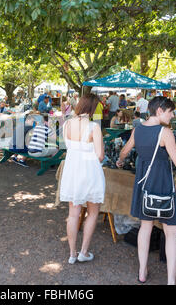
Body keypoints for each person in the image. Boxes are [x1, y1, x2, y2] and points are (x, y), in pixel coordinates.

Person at [116, 96, 176, 285]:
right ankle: (171, 281)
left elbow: (124, 151)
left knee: (145, 227)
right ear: (159, 111)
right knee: (171, 232)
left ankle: (142, 272)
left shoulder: (137, 129)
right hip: (163, 184)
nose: (172, 116)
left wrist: (120, 160)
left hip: (144, 183)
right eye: (170, 112)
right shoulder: (165, 133)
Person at [59, 93, 105, 265]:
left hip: (72, 171)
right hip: (90, 170)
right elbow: (100, 156)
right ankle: (83, 251)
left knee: (73, 214)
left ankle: (72, 253)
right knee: (93, 213)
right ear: (92, 108)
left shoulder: (67, 124)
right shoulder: (93, 127)